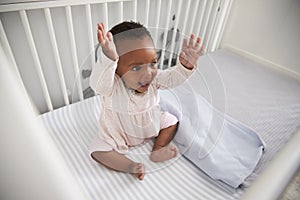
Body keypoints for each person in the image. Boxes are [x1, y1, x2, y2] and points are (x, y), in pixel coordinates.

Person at [89, 21, 203, 180]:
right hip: (120, 133)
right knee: (97, 150)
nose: (148, 73)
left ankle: (158, 149)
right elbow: (98, 85)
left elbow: (171, 79)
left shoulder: (153, 78)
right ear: (116, 69)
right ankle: (130, 166)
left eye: (153, 63)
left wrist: (185, 67)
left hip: (150, 124)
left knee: (171, 120)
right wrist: (109, 58)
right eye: (136, 68)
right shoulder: (112, 85)